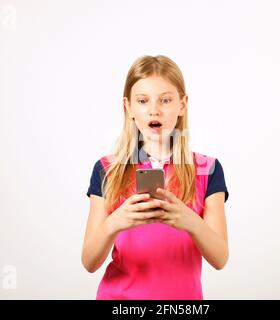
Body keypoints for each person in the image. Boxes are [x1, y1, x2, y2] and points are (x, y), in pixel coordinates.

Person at [81, 55, 229, 300]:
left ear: (182, 105)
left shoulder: (208, 169)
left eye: (165, 100)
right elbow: (89, 261)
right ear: (128, 107)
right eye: (142, 101)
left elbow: (220, 258)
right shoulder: (107, 169)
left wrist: (189, 220)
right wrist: (116, 222)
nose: (154, 110)